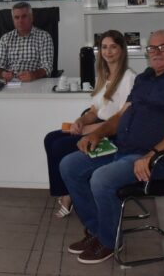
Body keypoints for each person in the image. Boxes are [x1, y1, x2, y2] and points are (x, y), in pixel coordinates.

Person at [59, 30, 164, 264]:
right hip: (123, 149)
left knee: (101, 179)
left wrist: (152, 154)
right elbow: (122, 116)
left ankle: (109, 241)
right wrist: (98, 133)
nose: (157, 53)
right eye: (152, 48)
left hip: (159, 160)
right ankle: (98, 231)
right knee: (70, 165)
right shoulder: (144, 78)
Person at [43, 30, 135, 218]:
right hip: (98, 124)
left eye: (113, 47)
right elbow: (94, 110)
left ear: (122, 50)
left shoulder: (129, 78)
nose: (108, 52)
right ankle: (67, 191)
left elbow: (121, 119)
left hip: (112, 133)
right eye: (104, 47)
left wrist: (88, 129)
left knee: (60, 146)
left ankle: (68, 196)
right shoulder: (104, 75)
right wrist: (80, 121)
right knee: (50, 139)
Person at [0, 2, 54, 82]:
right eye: (16, 17)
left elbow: (47, 67)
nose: (20, 21)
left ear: (31, 18)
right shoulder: (5, 39)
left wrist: (33, 75)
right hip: (11, 83)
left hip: (35, 82)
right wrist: (3, 74)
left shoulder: (44, 37)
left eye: (24, 16)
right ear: (13, 20)